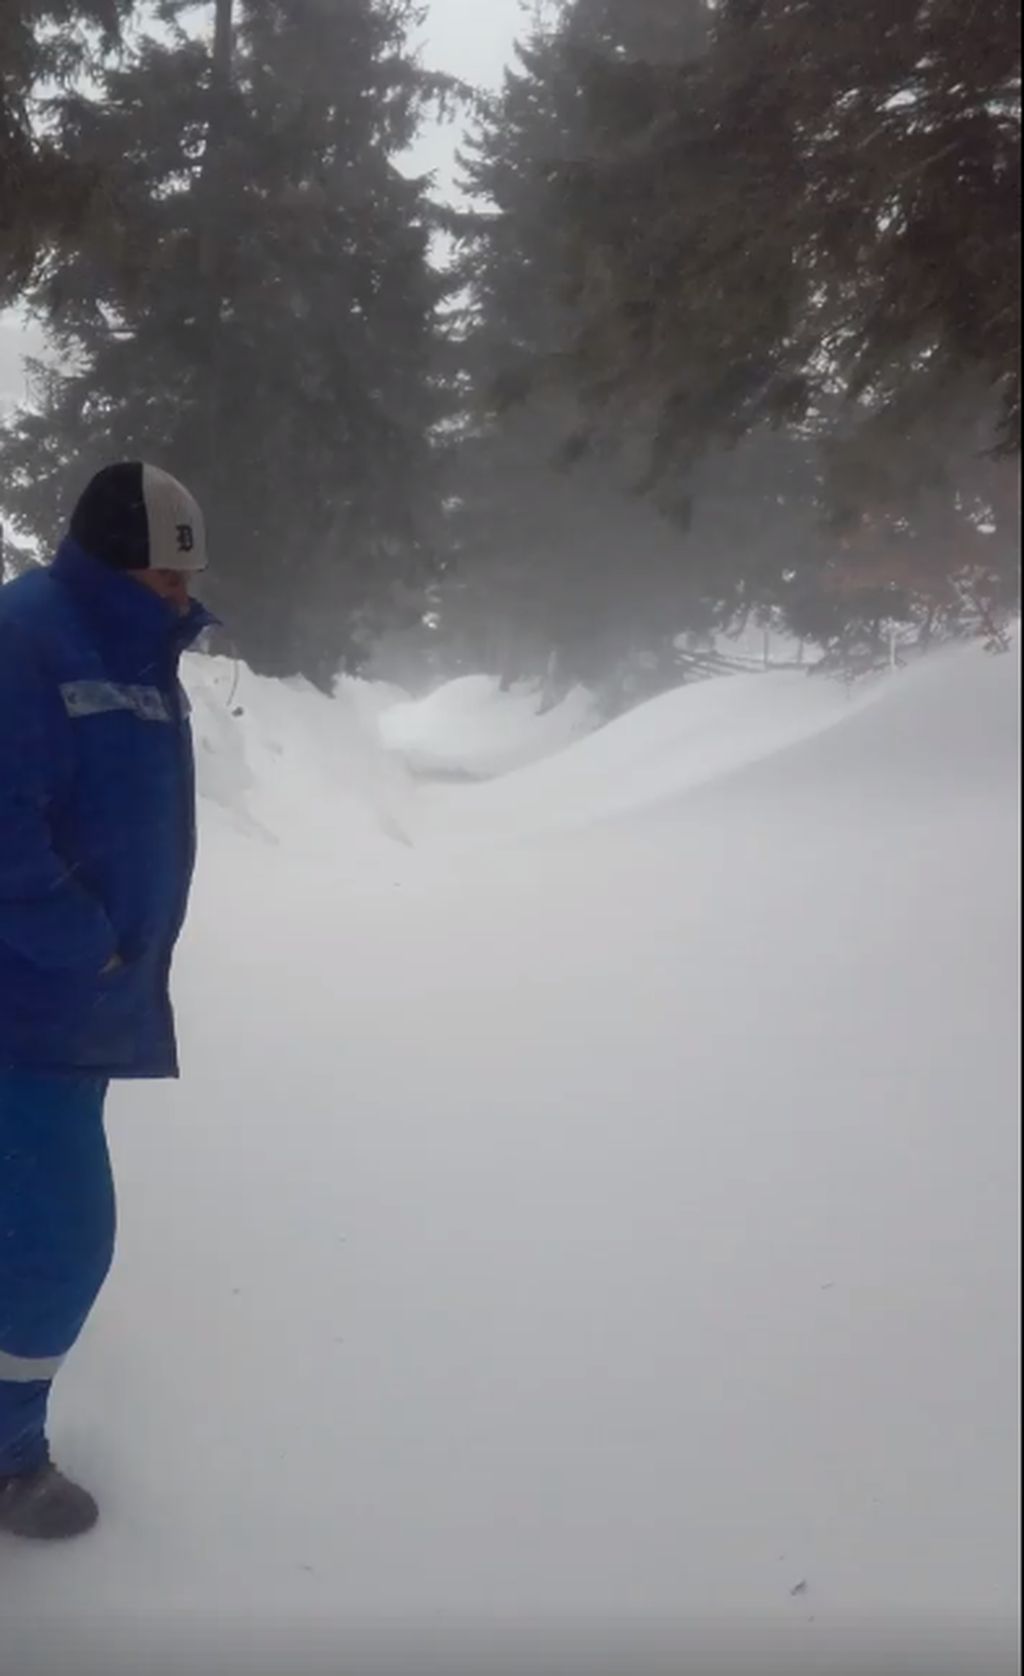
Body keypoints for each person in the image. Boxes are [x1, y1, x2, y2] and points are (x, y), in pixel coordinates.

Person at [0, 462, 212, 1540]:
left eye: (187, 577)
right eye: (163, 575)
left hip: (80, 1008)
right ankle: (6, 1460)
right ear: (108, 561)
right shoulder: (26, 638)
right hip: (27, 1007)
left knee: (28, 1226)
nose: (180, 595)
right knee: (59, 1242)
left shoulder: (132, 646)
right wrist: (84, 948)